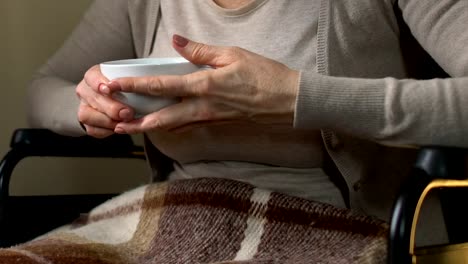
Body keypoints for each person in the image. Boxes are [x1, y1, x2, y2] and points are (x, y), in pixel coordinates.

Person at [27, 0, 468, 250]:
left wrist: (296, 96)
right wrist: (90, 105)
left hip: (342, 235)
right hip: (171, 227)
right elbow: (43, 89)